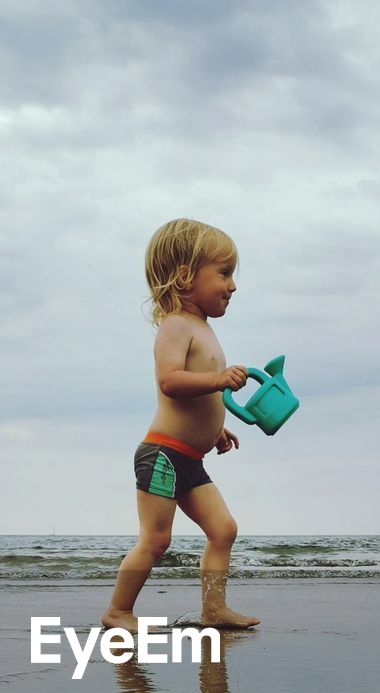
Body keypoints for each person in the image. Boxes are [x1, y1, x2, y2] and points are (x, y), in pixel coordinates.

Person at [101, 218, 260, 633]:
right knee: (156, 540)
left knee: (223, 529)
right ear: (186, 276)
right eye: (224, 273)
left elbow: (200, 395)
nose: (233, 285)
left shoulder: (203, 330)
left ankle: (214, 610)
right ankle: (118, 612)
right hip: (163, 456)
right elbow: (171, 382)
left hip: (190, 457)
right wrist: (221, 380)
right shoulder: (175, 326)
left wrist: (215, 429)